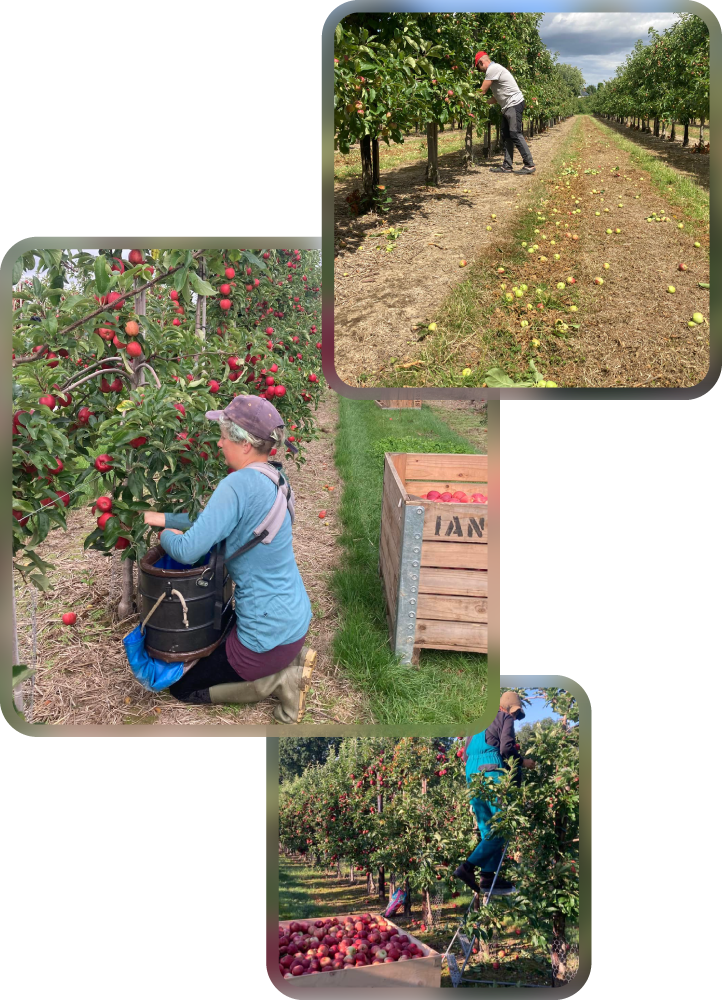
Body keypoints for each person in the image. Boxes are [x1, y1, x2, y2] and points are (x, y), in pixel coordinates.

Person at [142, 394, 315, 724]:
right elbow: (212, 520)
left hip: (265, 639)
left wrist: (164, 536)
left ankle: (280, 680)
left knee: (182, 687)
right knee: (215, 639)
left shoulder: (236, 485)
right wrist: (161, 518)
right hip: (293, 621)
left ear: (245, 444)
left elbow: (187, 550)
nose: (219, 443)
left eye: (223, 436)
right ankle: (291, 658)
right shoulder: (273, 476)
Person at [453, 691, 535, 894]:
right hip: (492, 771)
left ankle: (488, 877)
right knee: (502, 827)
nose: (514, 716)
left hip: (472, 775)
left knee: (487, 830)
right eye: (515, 712)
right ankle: (467, 867)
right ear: (507, 708)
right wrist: (523, 762)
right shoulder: (505, 718)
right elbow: (506, 748)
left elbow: (465, 756)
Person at [475, 51, 536, 175]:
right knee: (506, 135)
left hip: (514, 104)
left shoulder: (492, 69)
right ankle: (507, 166)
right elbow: (496, 98)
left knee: (515, 133)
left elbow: (482, 91)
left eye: (479, 68)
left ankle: (529, 165)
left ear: (481, 62)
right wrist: (483, 103)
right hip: (507, 106)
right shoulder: (495, 71)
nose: (480, 71)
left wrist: (468, 98)